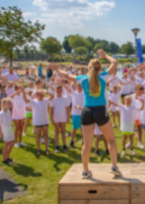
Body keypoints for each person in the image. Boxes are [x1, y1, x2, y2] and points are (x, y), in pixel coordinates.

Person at [49, 49, 121, 178]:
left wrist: (57, 70)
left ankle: (85, 170)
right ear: (99, 68)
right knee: (111, 140)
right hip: (100, 110)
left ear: (88, 68)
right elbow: (115, 63)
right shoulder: (103, 76)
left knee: (87, 143)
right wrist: (105, 56)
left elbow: (66, 76)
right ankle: (114, 167)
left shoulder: (82, 79)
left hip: (86, 111)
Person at [21, 87, 53, 155]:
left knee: (45, 135)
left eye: (42, 95)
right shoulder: (33, 101)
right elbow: (25, 100)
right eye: (40, 95)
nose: (42, 97)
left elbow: (53, 96)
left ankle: (47, 149)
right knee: (38, 135)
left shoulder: (45, 100)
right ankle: (38, 149)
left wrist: (46, 92)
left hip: (45, 120)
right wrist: (24, 92)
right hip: (37, 121)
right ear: (36, 95)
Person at [50, 84, 70, 153]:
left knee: (63, 131)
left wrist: (68, 117)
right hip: (56, 118)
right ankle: (57, 146)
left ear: (62, 90)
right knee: (56, 132)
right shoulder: (53, 99)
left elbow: (67, 108)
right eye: (57, 90)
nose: (58, 91)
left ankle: (64, 145)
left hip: (63, 117)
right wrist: (52, 119)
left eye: (60, 90)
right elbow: (51, 110)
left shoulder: (65, 98)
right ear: (55, 90)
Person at [0, 98, 15, 165]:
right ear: (4, 104)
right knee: (6, 144)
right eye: (9, 103)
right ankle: (4, 159)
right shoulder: (1, 113)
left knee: (11, 143)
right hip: (5, 130)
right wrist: (1, 133)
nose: (10, 105)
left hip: (9, 128)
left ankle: (7, 157)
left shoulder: (8, 111)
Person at [70, 83, 85, 148]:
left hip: (83, 113)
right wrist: (62, 83)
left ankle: (83, 141)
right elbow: (67, 89)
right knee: (74, 128)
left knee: (83, 129)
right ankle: (72, 141)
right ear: (76, 87)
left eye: (81, 87)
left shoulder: (84, 94)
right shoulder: (74, 93)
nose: (79, 88)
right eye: (78, 87)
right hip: (75, 114)